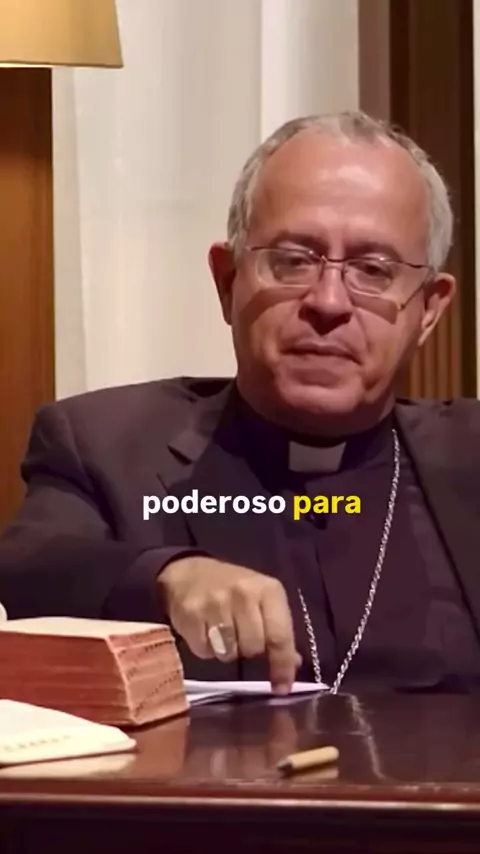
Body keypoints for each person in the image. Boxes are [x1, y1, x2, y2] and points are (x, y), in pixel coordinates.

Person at [0, 110, 477, 697]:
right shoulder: (105, 447)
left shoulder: (469, 458)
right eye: (292, 260)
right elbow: (22, 571)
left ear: (428, 308)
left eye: (373, 270)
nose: (328, 302)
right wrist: (165, 576)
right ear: (227, 281)